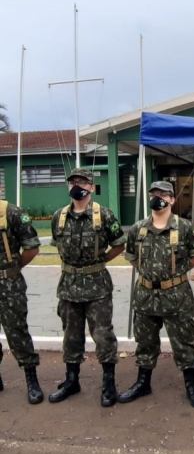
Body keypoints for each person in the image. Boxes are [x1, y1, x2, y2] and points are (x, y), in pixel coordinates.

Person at [119, 181, 194, 408]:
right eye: (154, 194)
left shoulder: (186, 228)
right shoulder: (138, 228)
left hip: (177, 295)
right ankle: (142, 383)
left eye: (163, 194)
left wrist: (175, 274)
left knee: (184, 343)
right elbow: (131, 256)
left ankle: (192, 386)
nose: (158, 197)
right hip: (146, 294)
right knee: (145, 343)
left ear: (172, 200)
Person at [49, 168, 126, 407]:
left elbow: (119, 244)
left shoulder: (105, 215)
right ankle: (72, 381)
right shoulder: (59, 216)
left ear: (92, 187)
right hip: (69, 286)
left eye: (82, 182)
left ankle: (109, 384)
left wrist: (101, 260)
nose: (77, 186)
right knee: (71, 337)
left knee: (103, 336)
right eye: (73, 182)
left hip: (97, 286)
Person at [0, 186, 43, 404]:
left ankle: (31, 380)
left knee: (16, 331)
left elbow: (32, 247)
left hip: (8, 283)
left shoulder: (12, 213)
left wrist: (13, 269)